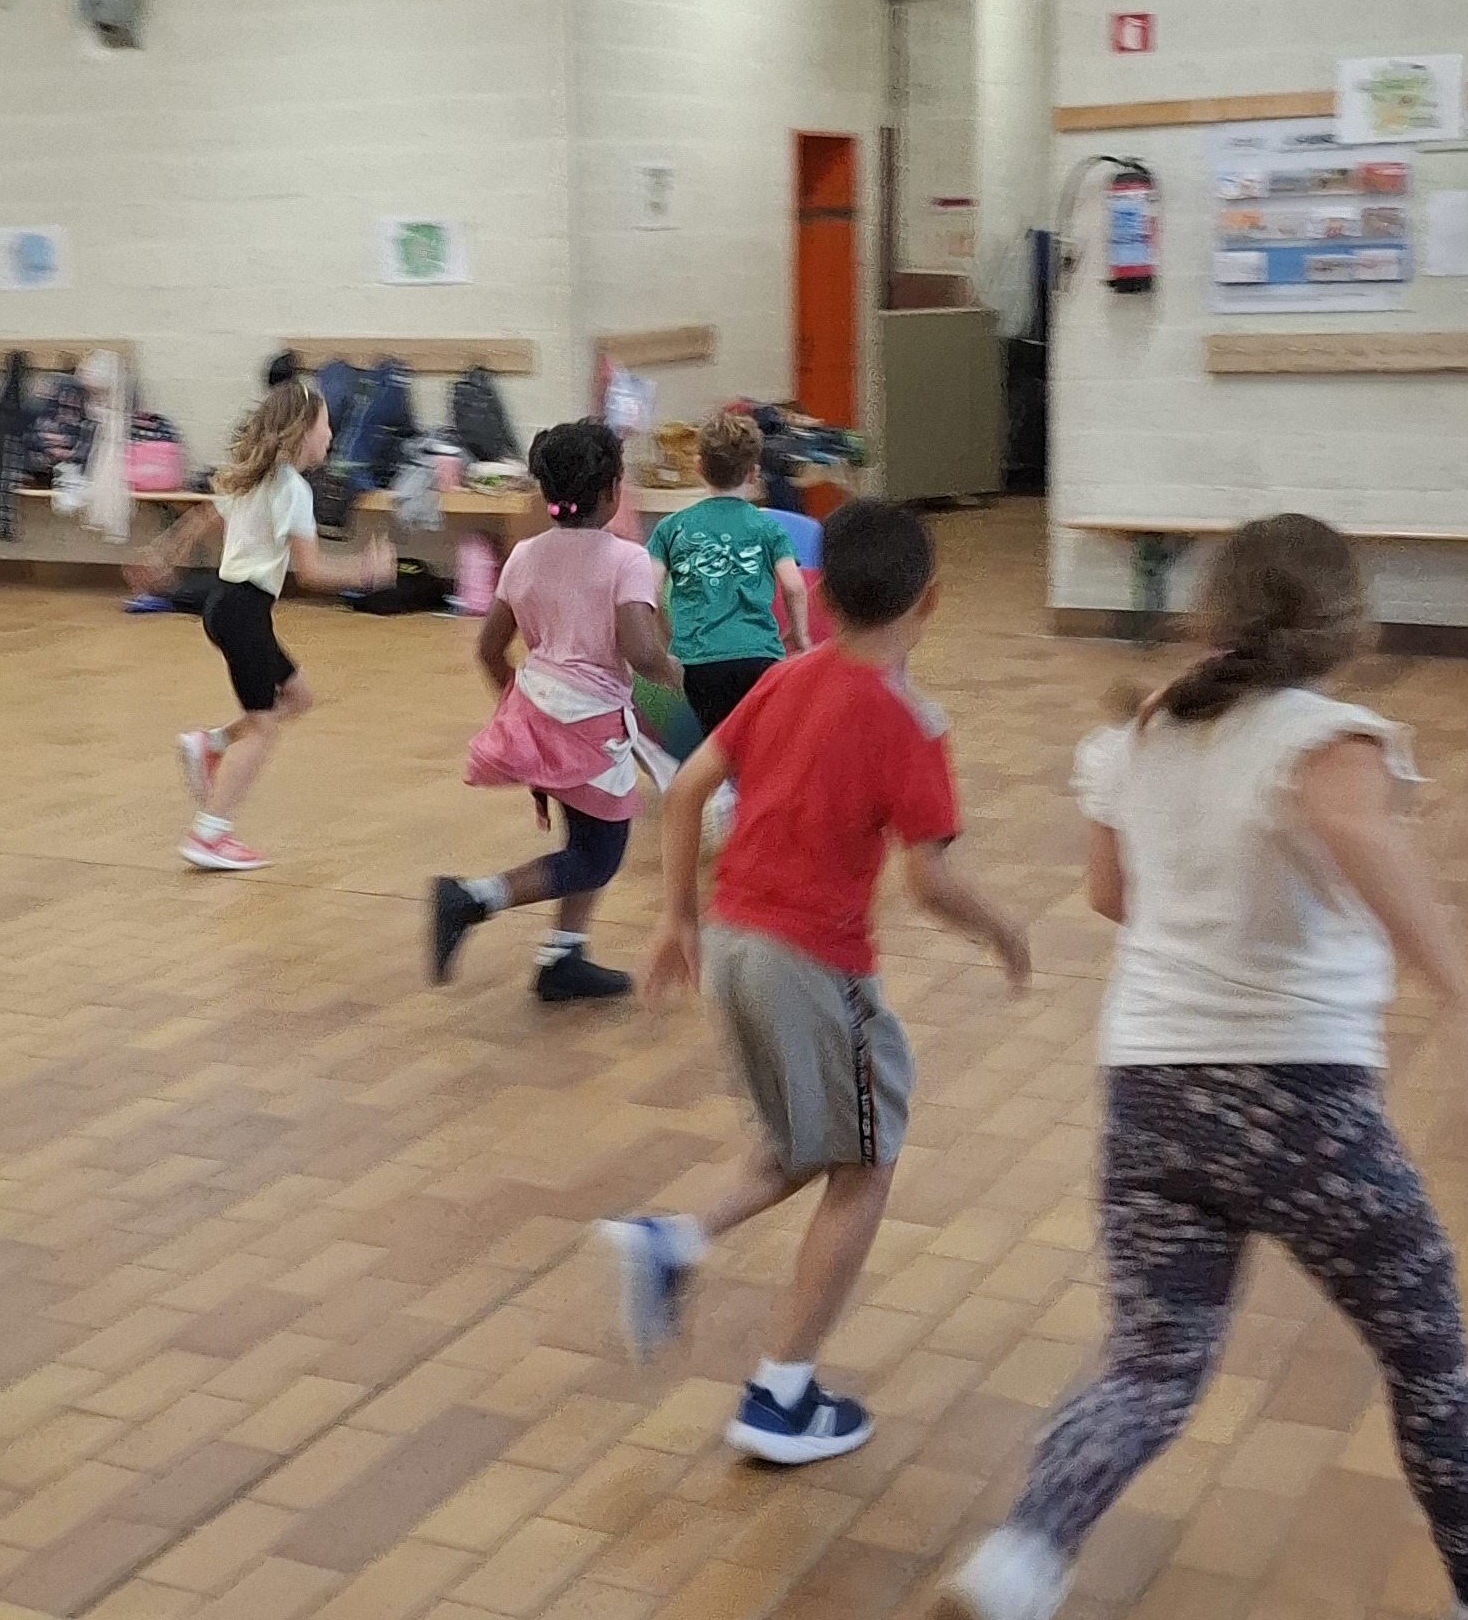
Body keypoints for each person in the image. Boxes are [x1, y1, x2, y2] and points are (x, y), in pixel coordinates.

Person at [922, 512, 1468, 1620]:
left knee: (1150, 1370)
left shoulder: (1149, 727)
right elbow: (1351, 830)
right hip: (1297, 1100)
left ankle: (1017, 1565)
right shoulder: (1323, 737)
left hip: (1150, 1096)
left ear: (1215, 610)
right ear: (1344, 625)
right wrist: (1461, 1001)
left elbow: (1110, 894)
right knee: (1425, 1344)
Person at [599, 496, 1030, 1462]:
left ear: (822, 595)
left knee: (799, 1142)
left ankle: (674, 1241)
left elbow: (689, 789)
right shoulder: (910, 723)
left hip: (734, 946)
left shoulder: (785, 680)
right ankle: (780, 1395)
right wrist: (1002, 929)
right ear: (931, 600)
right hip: (810, 963)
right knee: (865, 1164)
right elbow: (930, 881)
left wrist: (677, 918)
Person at [431, 418, 682, 1005]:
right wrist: (681, 677)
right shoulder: (627, 559)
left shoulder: (523, 555)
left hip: (539, 710)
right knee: (598, 857)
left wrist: (523, 714)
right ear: (613, 491)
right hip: (592, 725)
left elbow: (489, 649)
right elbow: (641, 651)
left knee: (583, 835)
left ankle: (562, 957)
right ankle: (472, 898)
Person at [150, 376, 392, 872]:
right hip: (243, 613)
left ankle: (210, 744)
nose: (330, 434)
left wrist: (166, 550)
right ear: (303, 432)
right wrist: (365, 573)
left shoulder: (253, 477)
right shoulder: (293, 490)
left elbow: (204, 517)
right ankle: (209, 834)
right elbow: (312, 573)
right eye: (325, 425)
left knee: (297, 697)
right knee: (263, 729)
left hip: (228, 607)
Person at [647, 409, 813, 738]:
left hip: (699, 661)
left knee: (718, 742)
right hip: (759, 655)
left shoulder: (670, 527)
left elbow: (649, 594)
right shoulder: (768, 527)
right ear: (753, 473)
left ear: (698, 467)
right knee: (757, 740)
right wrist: (799, 634)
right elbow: (794, 586)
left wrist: (668, 641)